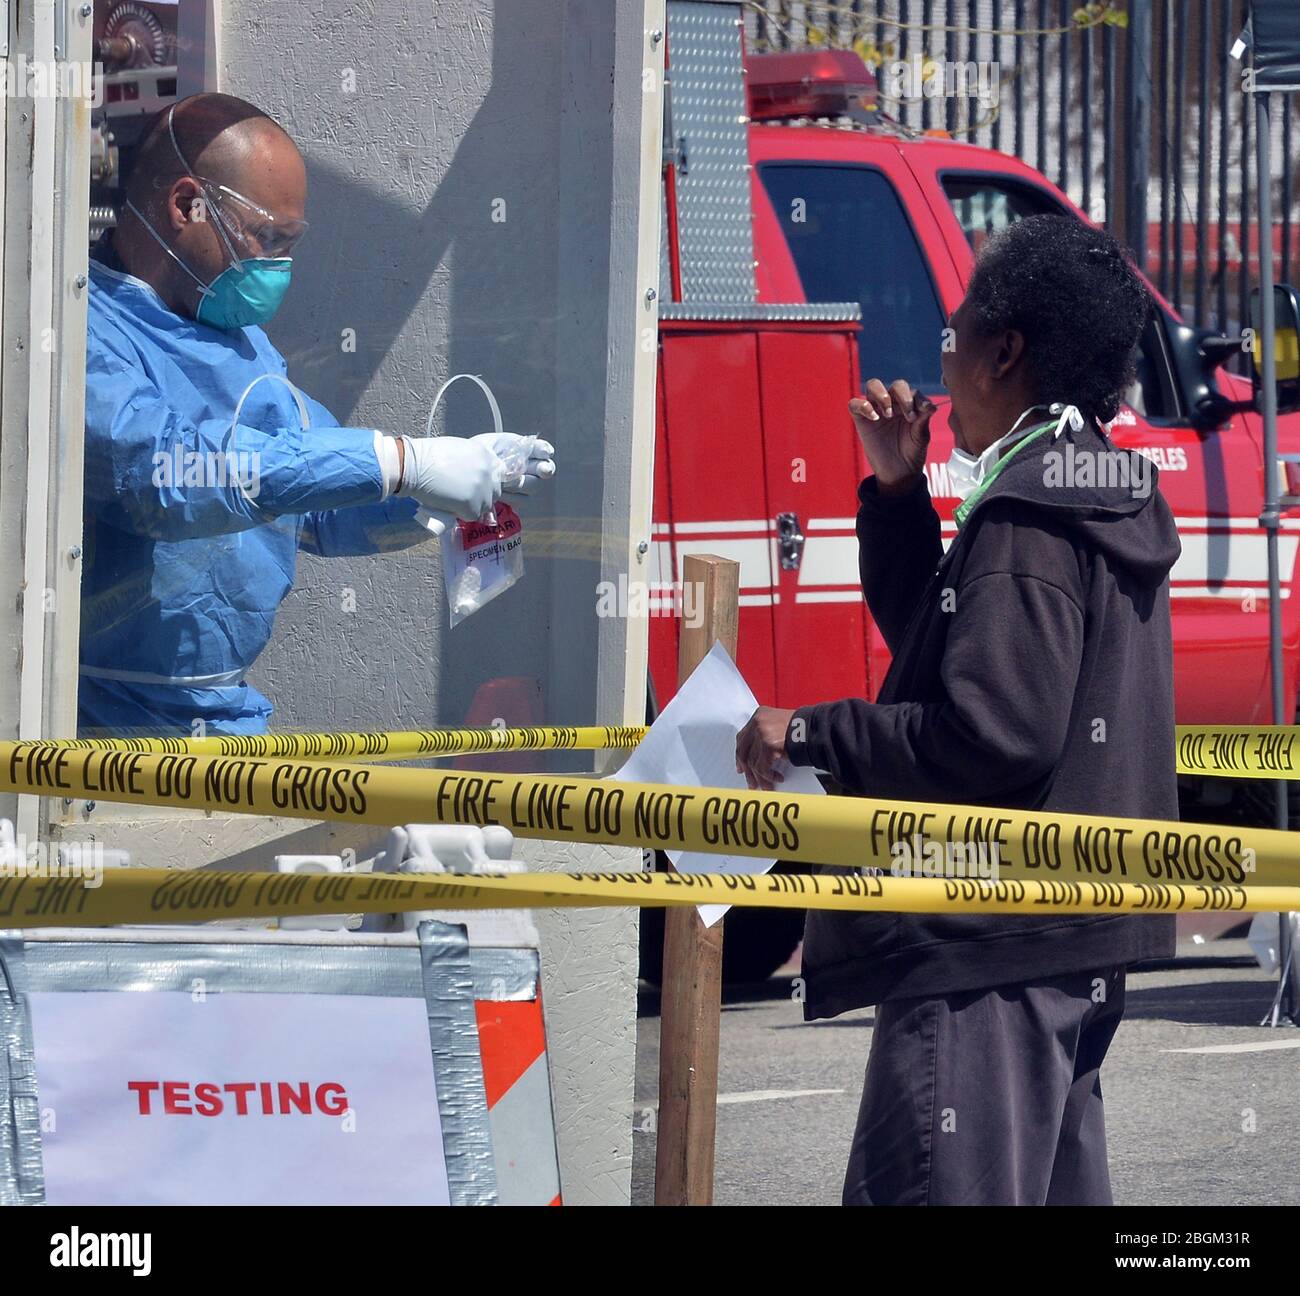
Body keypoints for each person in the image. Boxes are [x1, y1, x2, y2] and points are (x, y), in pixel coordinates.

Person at [735, 215, 1179, 1206]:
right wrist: (898, 493)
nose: (940, 356)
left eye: (954, 327)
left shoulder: (1028, 511)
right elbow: (956, 656)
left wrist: (808, 728)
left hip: (986, 949)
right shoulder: (1088, 482)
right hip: (1067, 936)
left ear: (1004, 350)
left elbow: (993, 734)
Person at [81, 93, 555, 735]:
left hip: (225, 720)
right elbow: (166, 476)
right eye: (266, 237)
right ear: (186, 205)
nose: (277, 267)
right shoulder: (83, 331)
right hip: (103, 731)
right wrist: (396, 460)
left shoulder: (234, 336)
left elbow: (314, 505)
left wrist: (426, 502)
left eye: (289, 243)